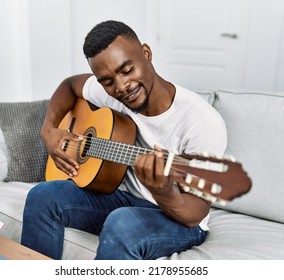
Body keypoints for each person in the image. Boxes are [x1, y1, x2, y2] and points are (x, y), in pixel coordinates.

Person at [21, 20, 227, 260]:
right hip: (122, 198)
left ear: (147, 54)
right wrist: (48, 130)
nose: (121, 87)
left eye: (127, 70)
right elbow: (69, 86)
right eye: (107, 81)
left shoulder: (202, 123)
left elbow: (195, 212)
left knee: (121, 223)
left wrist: (163, 193)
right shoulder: (115, 96)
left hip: (179, 219)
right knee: (42, 196)